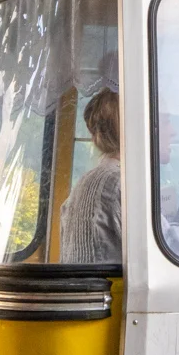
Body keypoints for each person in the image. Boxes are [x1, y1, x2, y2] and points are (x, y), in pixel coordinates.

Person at [57, 89, 123, 266]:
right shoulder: (120, 183)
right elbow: (177, 255)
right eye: (165, 121)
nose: (172, 132)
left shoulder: (84, 182)